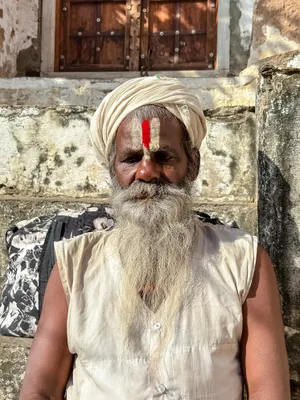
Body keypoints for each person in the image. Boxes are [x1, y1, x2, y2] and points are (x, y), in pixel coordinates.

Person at [20, 76, 290, 400]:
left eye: (163, 157)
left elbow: (268, 392)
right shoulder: (74, 266)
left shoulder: (243, 260)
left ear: (192, 165)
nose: (146, 172)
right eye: (132, 158)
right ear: (113, 170)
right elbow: (40, 390)